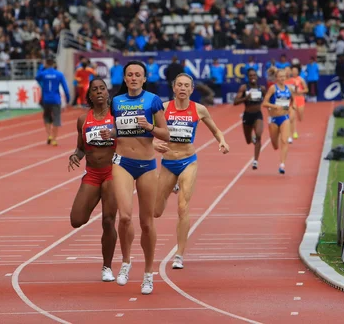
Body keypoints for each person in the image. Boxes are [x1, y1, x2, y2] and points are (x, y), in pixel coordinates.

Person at [99, 60, 169, 295]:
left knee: (146, 223)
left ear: (144, 78)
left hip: (147, 165)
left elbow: (166, 134)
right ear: (125, 78)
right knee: (126, 217)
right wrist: (110, 133)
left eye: (138, 75)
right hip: (122, 162)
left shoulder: (153, 100)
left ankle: (148, 274)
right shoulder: (117, 102)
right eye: (130, 75)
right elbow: (117, 129)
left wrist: (149, 126)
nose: (133, 78)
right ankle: (126, 262)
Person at [153, 72, 229, 270]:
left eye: (187, 85)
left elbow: (216, 130)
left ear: (192, 89)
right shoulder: (163, 108)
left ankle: (179, 254)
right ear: (174, 88)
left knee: (182, 207)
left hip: (188, 161)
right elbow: (147, 131)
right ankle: (171, 185)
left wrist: (222, 141)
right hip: (168, 162)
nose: (183, 88)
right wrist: (154, 142)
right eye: (179, 85)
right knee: (156, 211)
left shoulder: (199, 109)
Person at [68, 77, 118, 282]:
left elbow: (129, 138)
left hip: (112, 172)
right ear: (89, 95)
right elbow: (81, 148)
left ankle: (107, 267)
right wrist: (75, 156)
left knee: (108, 220)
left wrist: (114, 133)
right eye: (94, 89)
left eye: (102, 89)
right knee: (76, 220)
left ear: (108, 93)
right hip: (92, 173)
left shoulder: (116, 115)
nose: (98, 92)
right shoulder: (83, 119)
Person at [262, 68, 294, 174]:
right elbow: (264, 103)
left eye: (284, 76)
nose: (282, 78)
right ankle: (275, 146)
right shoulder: (273, 88)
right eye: (280, 77)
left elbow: (291, 101)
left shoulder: (289, 88)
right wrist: (274, 106)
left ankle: (282, 164)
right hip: (274, 119)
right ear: (276, 78)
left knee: (284, 141)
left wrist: (289, 108)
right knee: (275, 144)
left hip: (285, 117)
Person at [233, 68, 266, 170]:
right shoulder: (244, 88)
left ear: (257, 76)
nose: (253, 77)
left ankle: (255, 161)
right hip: (247, 115)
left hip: (258, 114)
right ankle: (252, 139)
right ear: (248, 77)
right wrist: (245, 98)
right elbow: (235, 102)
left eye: (254, 75)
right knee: (248, 140)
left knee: (259, 135)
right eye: (250, 76)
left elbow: (268, 98)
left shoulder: (262, 88)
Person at [36, 58, 71, 146]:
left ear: (46, 64)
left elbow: (37, 77)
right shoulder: (59, 74)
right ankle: (54, 139)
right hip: (56, 99)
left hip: (46, 99)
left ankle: (49, 135)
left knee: (47, 117)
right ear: (54, 64)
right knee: (56, 119)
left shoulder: (43, 74)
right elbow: (65, 88)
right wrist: (68, 99)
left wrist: (41, 67)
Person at [286, 67, 308, 142]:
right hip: (292, 100)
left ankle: (293, 131)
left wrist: (300, 91)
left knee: (300, 117)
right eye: (293, 71)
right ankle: (293, 132)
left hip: (300, 99)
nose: (294, 72)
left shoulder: (300, 79)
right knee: (291, 117)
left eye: (296, 71)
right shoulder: (286, 80)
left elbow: (306, 89)